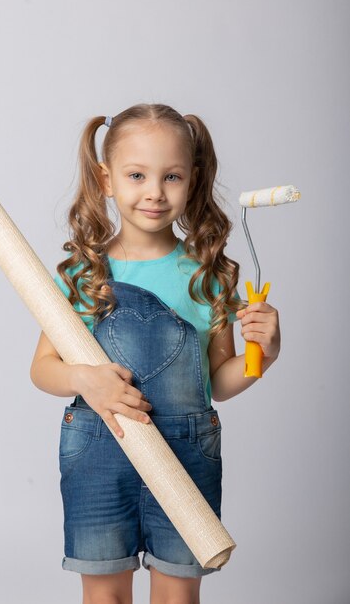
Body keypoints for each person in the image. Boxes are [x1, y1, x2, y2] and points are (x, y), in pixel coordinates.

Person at [29, 103, 281, 604]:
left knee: (177, 596)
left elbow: (219, 384)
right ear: (106, 180)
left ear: (193, 180)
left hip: (186, 452)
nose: (154, 192)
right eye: (137, 175)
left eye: (171, 177)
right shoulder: (85, 276)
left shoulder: (208, 275)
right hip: (101, 449)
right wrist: (85, 379)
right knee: (104, 596)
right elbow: (42, 369)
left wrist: (262, 355)